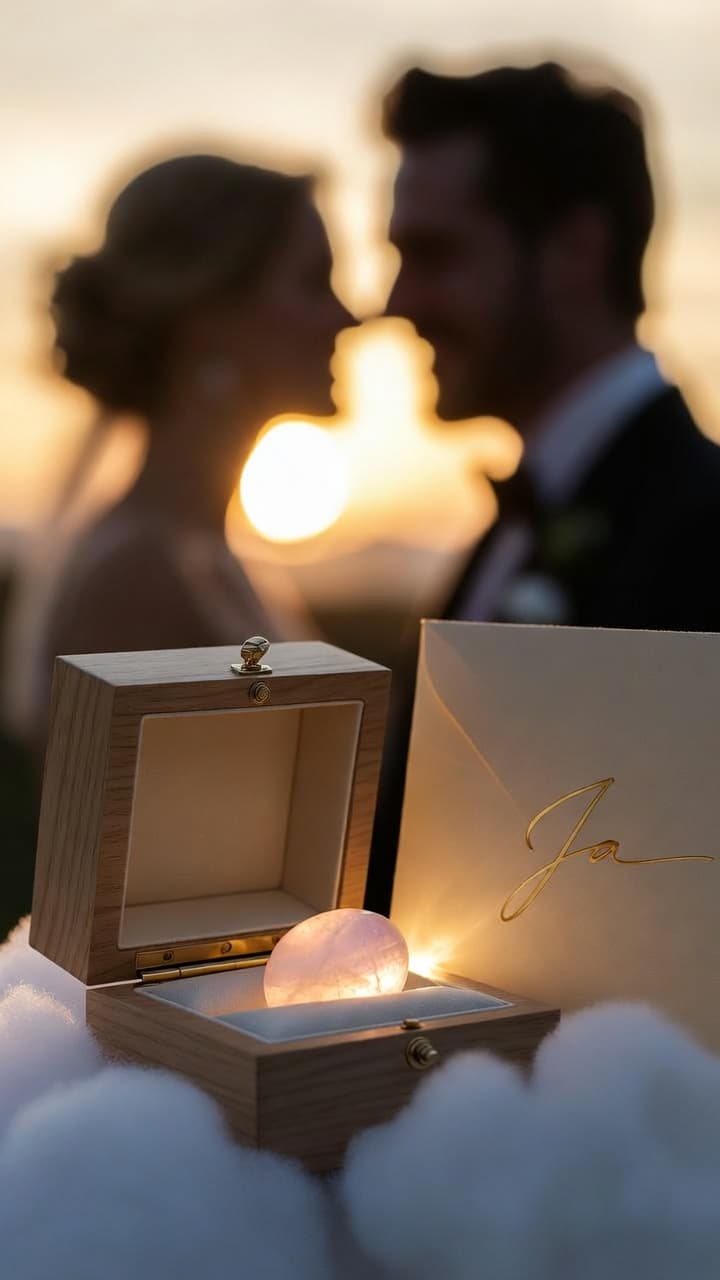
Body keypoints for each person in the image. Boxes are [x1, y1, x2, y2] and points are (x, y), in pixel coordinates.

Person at [366, 59, 720, 914]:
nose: (396, 302)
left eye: (436, 254)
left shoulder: (703, 525)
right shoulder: (518, 522)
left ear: (575, 250)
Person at [9, 152, 353, 754]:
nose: (348, 316)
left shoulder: (207, 554)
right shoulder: (137, 577)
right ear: (211, 315)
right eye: (313, 281)